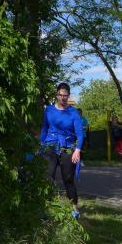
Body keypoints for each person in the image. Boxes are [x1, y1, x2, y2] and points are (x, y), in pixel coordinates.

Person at [40, 82, 84, 219]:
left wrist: (77, 150)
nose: (63, 98)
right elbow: (44, 129)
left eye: (65, 95)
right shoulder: (48, 110)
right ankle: (45, 209)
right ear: (56, 95)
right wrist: (41, 145)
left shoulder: (73, 112)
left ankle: (74, 209)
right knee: (48, 177)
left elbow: (80, 134)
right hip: (50, 146)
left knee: (68, 179)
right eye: (60, 95)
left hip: (68, 147)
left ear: (68, 96)